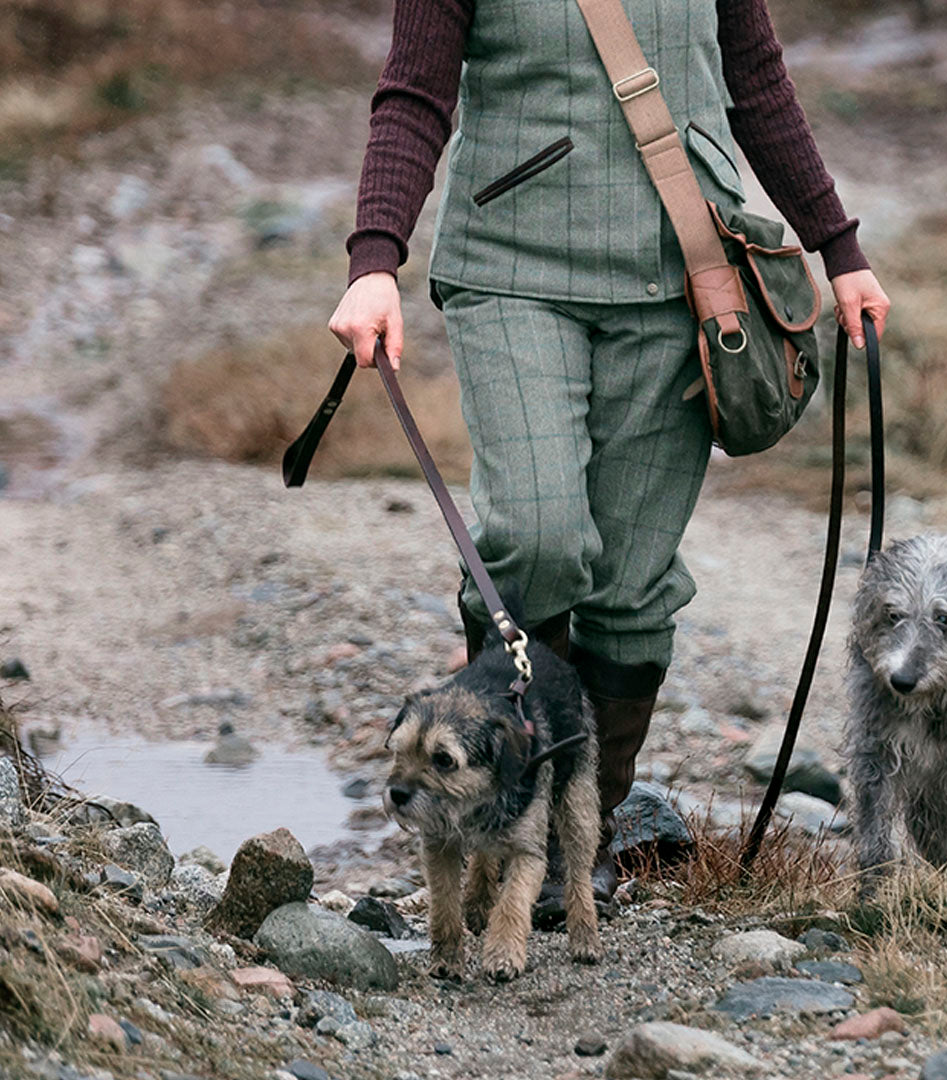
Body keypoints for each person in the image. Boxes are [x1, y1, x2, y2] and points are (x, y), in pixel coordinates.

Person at [329, 0, 890, 904]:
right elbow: (414, 93)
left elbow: (756, 80)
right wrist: (373, 259)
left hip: (682, 279)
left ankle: (571, 837)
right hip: (509, 271)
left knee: (631, 588)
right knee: (538, 538)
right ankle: (508, 802)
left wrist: (840, 245)